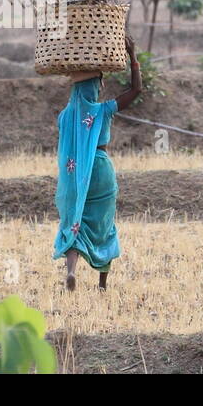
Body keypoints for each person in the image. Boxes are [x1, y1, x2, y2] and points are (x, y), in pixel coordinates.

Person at [55, 35, 141, 291]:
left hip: (75, 174)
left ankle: (71, 271)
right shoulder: (102, 110)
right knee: (104, 225)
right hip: (101, 169)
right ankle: (102, 285)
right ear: (95, 86)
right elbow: (136, 91)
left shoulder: (64, 116)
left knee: (75, 221)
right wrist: (132, 56)